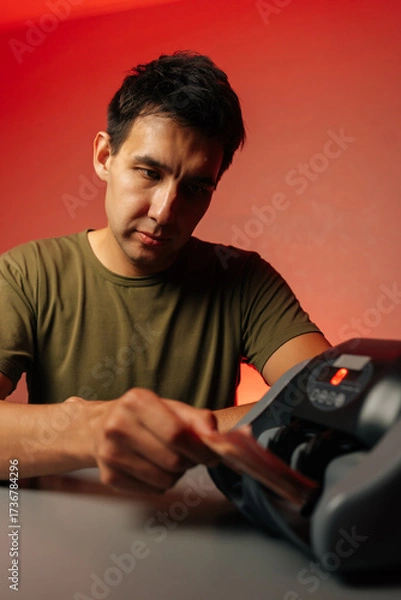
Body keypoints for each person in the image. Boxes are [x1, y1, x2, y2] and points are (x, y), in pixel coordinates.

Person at [0, 51, 331, 494]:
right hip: (60, 544)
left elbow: (327, 398)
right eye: (148, 173)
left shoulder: (244, 279)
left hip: (206, 536)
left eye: (195, 188)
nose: (164, 212)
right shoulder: (26, 275)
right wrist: (90, 429)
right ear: (104, 156)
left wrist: (184, 430)